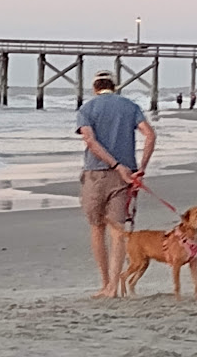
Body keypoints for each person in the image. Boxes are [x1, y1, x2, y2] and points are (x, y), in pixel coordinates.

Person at [76, 70, 156, 298]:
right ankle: (114, 286)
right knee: (118, 231)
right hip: (126, 175)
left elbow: (90, 141)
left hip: (96, 174)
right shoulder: (129, 106)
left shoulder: (87, 109)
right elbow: (150, 135)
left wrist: (114, 164)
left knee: (97, 227)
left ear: (95, 88)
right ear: (114, 86)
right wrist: (141, 166)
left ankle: (105, 283)